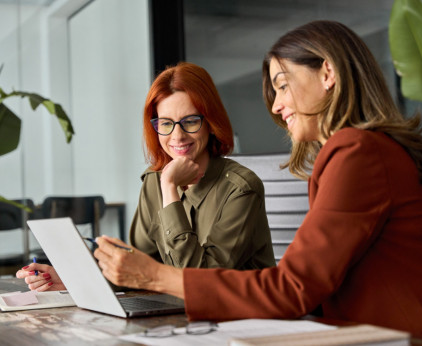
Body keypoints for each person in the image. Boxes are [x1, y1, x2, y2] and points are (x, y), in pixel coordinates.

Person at [24, 20, 422, 334]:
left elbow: (291, 288)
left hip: (412, 336)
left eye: (283, 85)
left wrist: (154, 276)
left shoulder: (357, 152)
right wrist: (82, 277)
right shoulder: (359, 152)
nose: (275, 105)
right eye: (165, 124)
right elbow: (135, 264)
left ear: (328, 72)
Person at [17, 62, 275, 291]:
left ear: (210, 122)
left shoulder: (241, 188)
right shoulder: (154, 181)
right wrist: (71, 279)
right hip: (173, 315)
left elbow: (198, 281)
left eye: (190, 121)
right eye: (165, 123)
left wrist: (170, 188)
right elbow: (138, 266)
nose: (177, 136)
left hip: (236, 320)